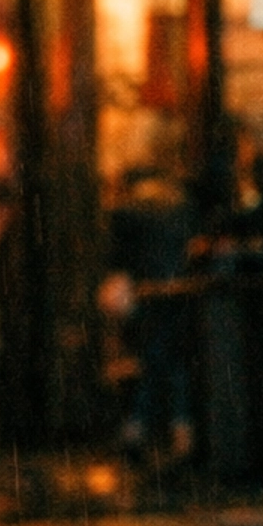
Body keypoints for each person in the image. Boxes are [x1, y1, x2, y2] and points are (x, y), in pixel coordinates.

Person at [103, 166, 196, 461]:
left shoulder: (128, 214)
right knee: (171, 363)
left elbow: (119, 253)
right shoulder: (180, 210)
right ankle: (177, 432)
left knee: (156, 360)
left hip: (148, 295)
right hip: (176, 293)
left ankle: (140, 429)